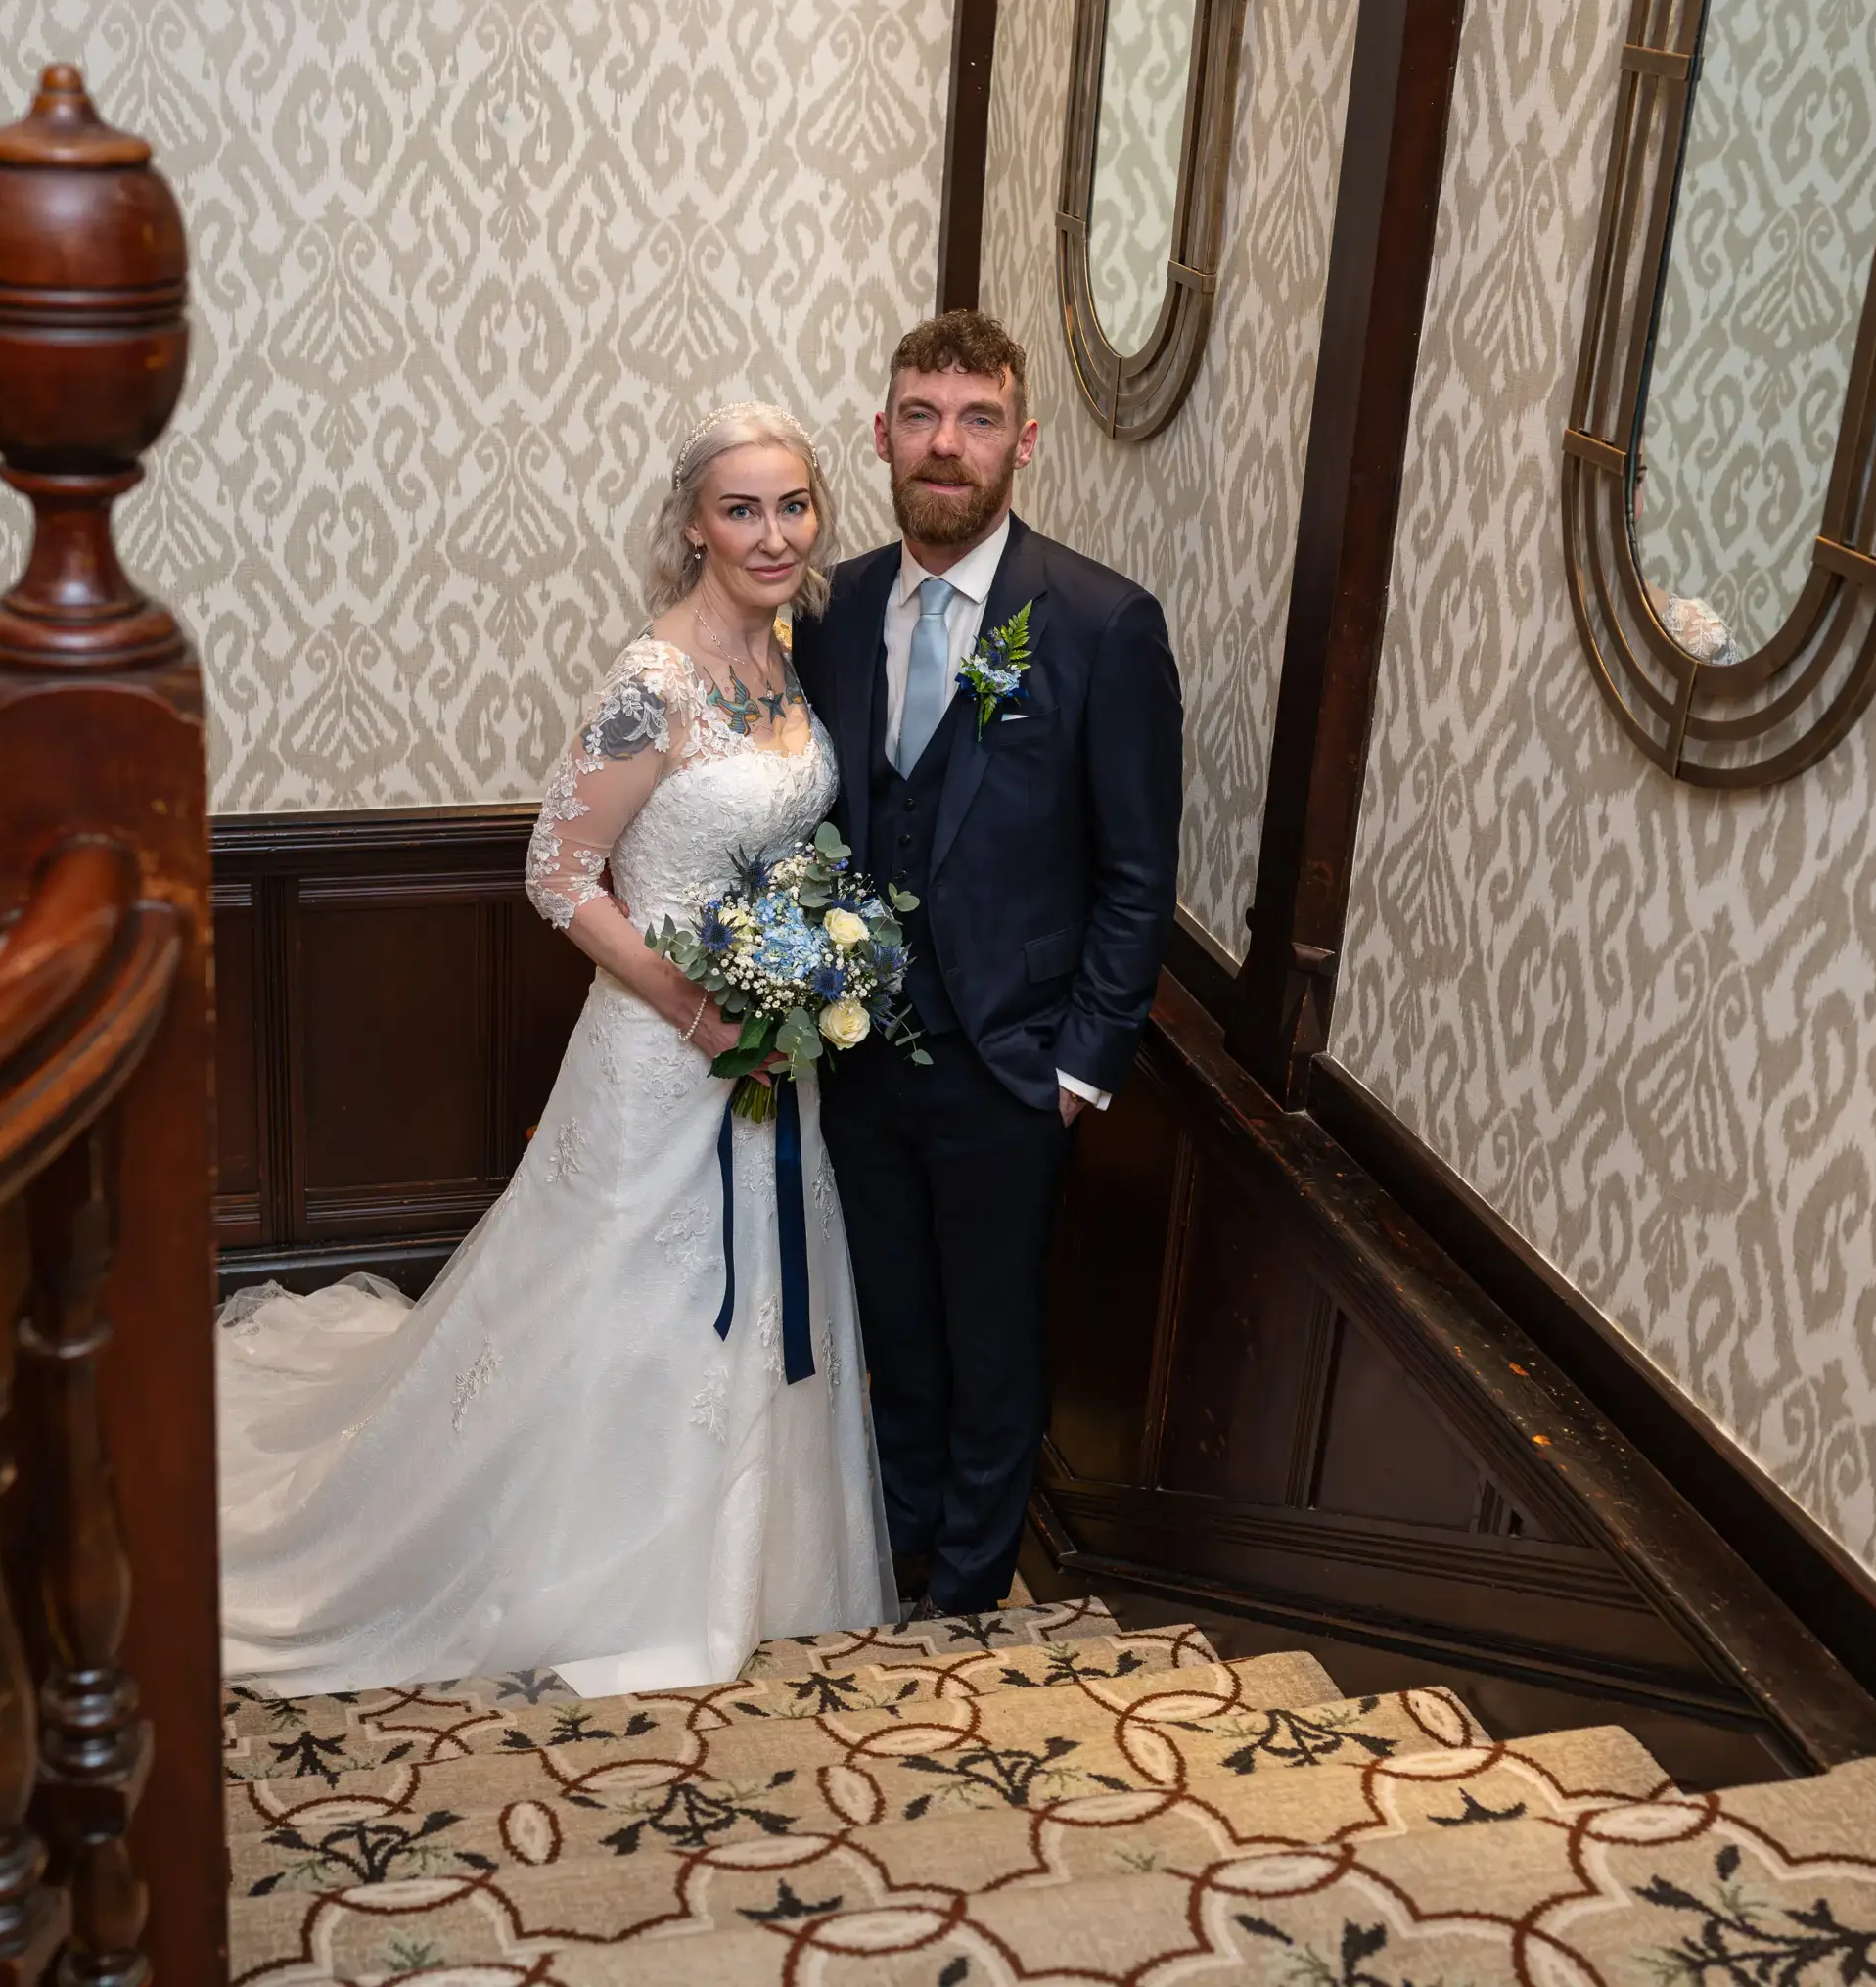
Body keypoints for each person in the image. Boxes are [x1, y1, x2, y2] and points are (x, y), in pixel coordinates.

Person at [216, 404, 895, 1697]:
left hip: (777, 1051)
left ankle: (758, 1573)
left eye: (792, 505)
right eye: (740, 509)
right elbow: (558, 872)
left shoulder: (793, 653)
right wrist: (699, 1011)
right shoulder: (655, 682)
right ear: (691, 522)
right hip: (658, 1060)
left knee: (761, 1306)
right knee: (624, 1307)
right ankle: (598, 1576)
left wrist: (812, 965)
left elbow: (794, 846)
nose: (770, 533)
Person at [793, 311, 1183, 1622]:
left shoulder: (1098, 624)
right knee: (894, 1335)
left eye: (972, 421)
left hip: (1011, 1065)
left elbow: (1136, 872)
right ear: (881, 436)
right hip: (860, 1056)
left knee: (991, 1347)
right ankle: (894, 1561)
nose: (943, 447)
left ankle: (966, 1597)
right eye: (919, 416)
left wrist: (1082, 1065)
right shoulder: (834, 610)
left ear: (1020, 442)